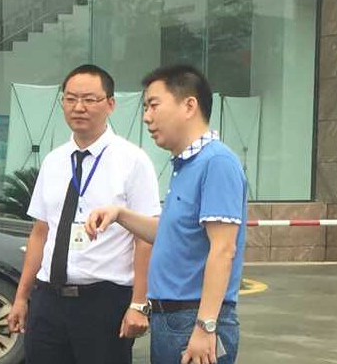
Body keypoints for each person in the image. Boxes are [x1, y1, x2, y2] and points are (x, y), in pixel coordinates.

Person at [86, 65, 247, 364]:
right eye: (145, 107)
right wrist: (119, 214)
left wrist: (206, 327)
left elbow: (223, 249)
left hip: (194, 320)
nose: (147, 117)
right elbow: (170, 235)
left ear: (189, 106)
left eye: (154, 105)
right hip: (171, 319)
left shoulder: (217, 163)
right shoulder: (185, 165)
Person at [6, 65, 160, 364]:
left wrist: (139, 304)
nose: (79, 107)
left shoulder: (132, 161)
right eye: (71, 99)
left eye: (90, 99)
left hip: (104, 302)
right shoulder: (53, 161)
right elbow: (40, 232)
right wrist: (22, 297)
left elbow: (145, 238)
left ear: (111, 104)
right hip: (48, 300)